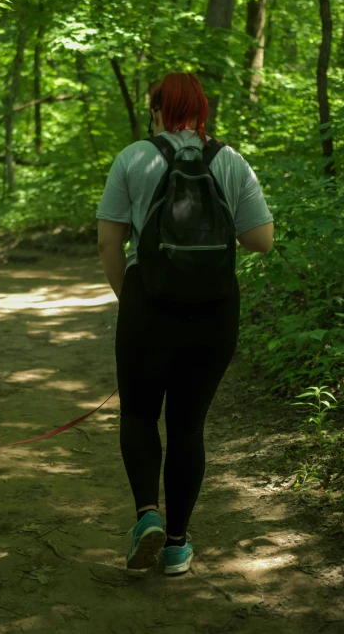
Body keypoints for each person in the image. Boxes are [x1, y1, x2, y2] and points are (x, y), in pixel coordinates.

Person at [96, 72, 274, 575]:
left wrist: (130, 296)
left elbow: (110, 242)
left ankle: (146, 515)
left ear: (155, 110)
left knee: (138, 416)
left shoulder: (133, 157)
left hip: (146, 308)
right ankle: (177, 546)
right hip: (214, 312)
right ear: (203, 111)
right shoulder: (232, 161)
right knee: (188, 426)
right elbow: (260, 241)